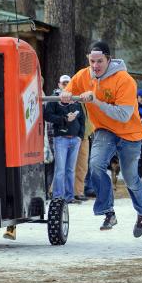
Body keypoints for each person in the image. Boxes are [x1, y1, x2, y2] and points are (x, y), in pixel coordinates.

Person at [61, 41, 142, 237]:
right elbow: (68, 89)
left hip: (130, 134)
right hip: (104, 130)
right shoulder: (83, 75)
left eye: (99, 61)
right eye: (92, 61)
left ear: (109, 60)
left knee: (130, 179)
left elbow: (123, 115)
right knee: (95, 165)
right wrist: (65, 95)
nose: (95, 66)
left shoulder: (124, 80)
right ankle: (108, 212)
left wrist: (96, 101)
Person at [44, 75, 85, 204]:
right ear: (59, 84)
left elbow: (82, 119)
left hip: (75, 139)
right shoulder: (54, 98)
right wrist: (64, 120)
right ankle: (58, 196)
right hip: (61, 138)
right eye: (64, 83)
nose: (66, 85)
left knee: (70, 169)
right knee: (60, 169)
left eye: (68, 83)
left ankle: (69, 196)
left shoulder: (76, 99)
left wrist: (80, 136)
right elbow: (48, 115)